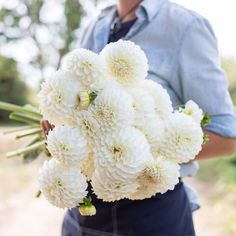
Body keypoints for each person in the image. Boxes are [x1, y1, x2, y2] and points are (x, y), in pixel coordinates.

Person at [42, 0, 236, 235]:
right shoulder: (96, 23)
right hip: (82, 215)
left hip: (150, 217)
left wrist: (140, 158)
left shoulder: (186, 26)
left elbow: (226, 136)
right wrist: (62, 129)